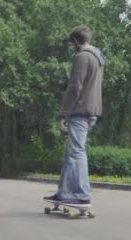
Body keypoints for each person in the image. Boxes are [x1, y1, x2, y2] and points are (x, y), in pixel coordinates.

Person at [44, 25, 104, 206]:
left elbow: (75, 87)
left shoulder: (82, 57)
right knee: (71, 153)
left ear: (76, 41)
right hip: (91, 110)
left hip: (80, 111)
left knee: (77, 152)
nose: (73, 47)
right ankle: (64, 192)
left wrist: (64, 113)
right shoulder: (98, 57)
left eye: (73, 43)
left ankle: (81, 194)